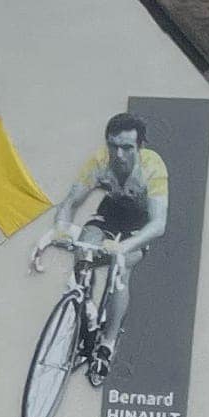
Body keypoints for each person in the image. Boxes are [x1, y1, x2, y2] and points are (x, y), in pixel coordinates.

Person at [41, 112, 168, 385]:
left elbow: (159, 224)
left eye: (127, 148)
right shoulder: (99, 161)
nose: (119, 154)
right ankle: (84, 303)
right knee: (85, 245)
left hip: (140, 223)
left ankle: (107, 345)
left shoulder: (153, 168)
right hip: (110, 213)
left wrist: (124, 247)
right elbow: (70, 202)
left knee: (122, 269)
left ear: (140, 147)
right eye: (113, 146)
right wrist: (61, 227)